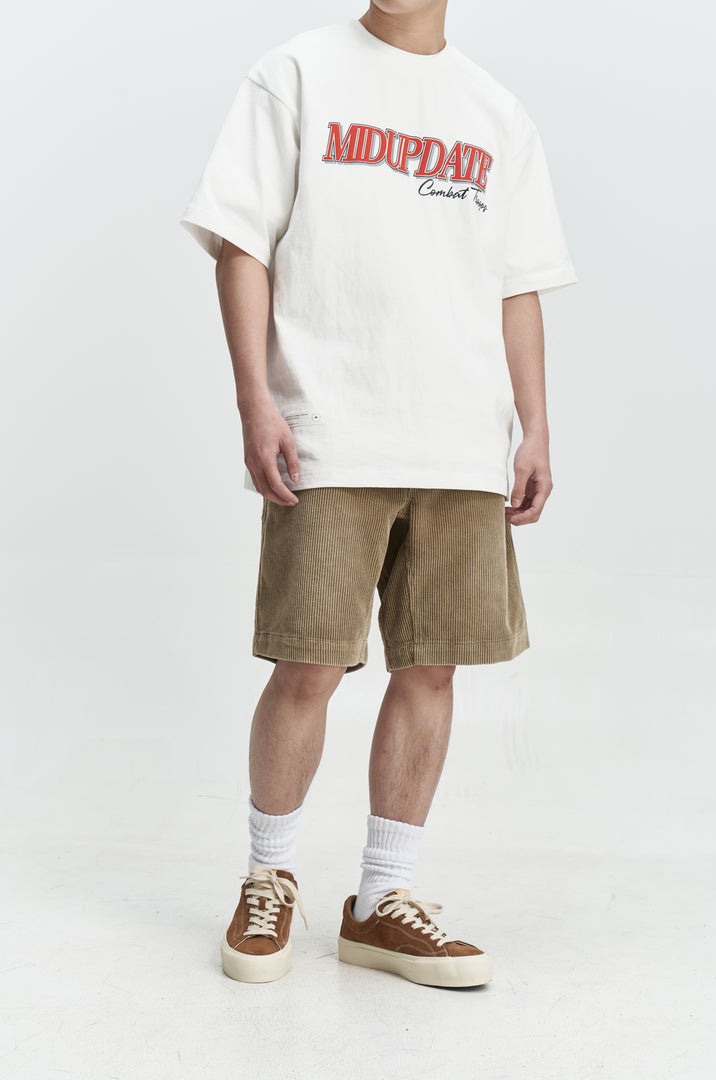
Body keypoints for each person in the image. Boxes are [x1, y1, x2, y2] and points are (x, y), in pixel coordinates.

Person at [179, 0, 577, 989]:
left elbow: (516, 283)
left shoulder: (496, 111)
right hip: (328, 429)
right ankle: (269, 876)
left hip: (460, 443)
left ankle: (380, 900)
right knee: (308, 663)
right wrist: (255, 400)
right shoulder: (297, 73)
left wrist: (534, 423)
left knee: (432, 669)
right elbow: (242, 244)